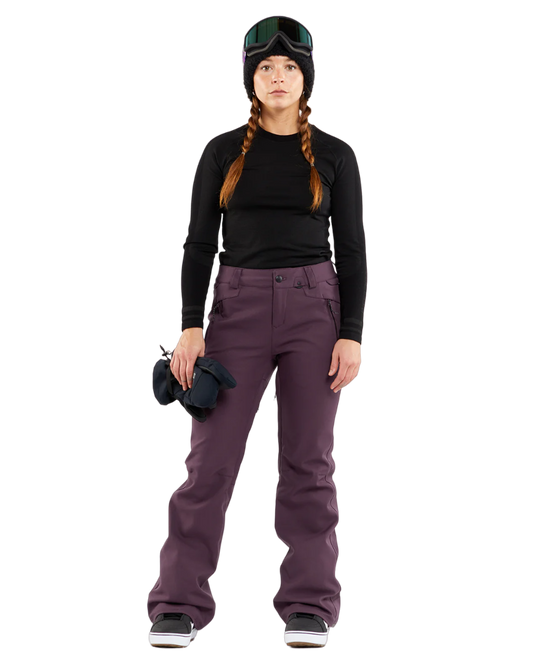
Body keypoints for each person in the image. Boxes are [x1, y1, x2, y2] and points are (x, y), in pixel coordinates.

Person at [145, 13, 368, 652]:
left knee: (309, 461)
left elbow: (352, 251)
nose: (277, 77)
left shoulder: (336, 153)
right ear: (249, 78)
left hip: (315, 311)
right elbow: (197, 245)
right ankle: (178, 604)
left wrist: (352, 333)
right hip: (232, 309)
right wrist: (190, 327)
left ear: (307, 78)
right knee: (208, 461)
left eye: (290, 67)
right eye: (265, 67)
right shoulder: (222, 151)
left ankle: (309, 604)